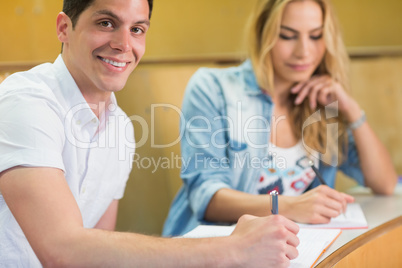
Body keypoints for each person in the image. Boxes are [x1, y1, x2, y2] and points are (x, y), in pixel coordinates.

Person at [0, 0, 300, 267]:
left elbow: (98, 251)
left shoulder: (121, 127)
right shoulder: (25, 101)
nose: (124, 44)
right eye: (106, 23)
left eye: (137, 29)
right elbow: (63, 250)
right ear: (64, 28)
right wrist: (232, 249)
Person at [163, 0, 398, 237]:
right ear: (262, 34)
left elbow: (385, 184)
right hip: (212, 250)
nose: (304, 51)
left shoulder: (321, 103)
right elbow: (207, 197)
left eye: (316, 36)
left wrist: (352, 110)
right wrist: (290, 207)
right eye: (287, 36)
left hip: (287, 252)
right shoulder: (213, 88)